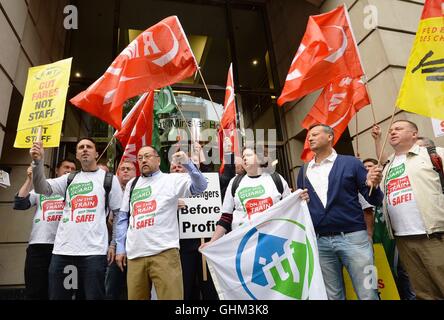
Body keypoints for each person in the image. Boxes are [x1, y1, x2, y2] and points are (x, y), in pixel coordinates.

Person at [297, 124, 383, 300]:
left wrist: (374, 185)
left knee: (369, 291)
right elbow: (302, 206)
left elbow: (375, 199)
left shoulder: (352, 163)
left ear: (330, 137)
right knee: (332, 296)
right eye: (308, 136)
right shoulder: (303, 170)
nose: (310, 138)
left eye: (314, 134)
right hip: (321, 243)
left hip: (355, 239)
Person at [29, 138, 123, 300]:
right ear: (77, 155)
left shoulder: (109, 179)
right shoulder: (68, 179)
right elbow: (40, 187)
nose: (85, 149)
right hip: (63, 253)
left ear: (96, 154)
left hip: (94, 254)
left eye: (89, 147)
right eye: (81, 147)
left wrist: (114, 244)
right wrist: (38, 162)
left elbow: (119, 215)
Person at [115, 146, 208, 300]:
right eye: (139, 158)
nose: (143, 160)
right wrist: (120, 248)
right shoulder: (132, 184)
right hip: (135, 255)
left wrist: (187, 163)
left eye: (147, 156)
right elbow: (123, 217)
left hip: (164, 253)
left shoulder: (171, 179)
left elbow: (201, 186)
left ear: (158, 160)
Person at [381, 120, 444, 299]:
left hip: (434, 235)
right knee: (424, 293)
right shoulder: (387, 166)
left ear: (414, 134)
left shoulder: (434, 154)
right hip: (403, 238)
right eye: (391, 130)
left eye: (399, 129)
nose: (392, 132)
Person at [201, 146, 300, 246]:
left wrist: (300, 198)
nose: (244, 158)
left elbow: (290, 206)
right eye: (243, 156)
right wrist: (212, 241)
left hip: (274, 240)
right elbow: (226, 217)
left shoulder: (276, 178)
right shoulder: (235, 182)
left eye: (248, 155)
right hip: (245, 244)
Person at [13, 159, 76, 299]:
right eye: (66, 167)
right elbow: (20, 203)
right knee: (35, 291)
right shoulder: (41, 188)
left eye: (73, 169)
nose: (69, 171)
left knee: (66, 291)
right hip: (38, 247)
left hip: (66, 248)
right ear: (57, 170)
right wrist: (29, 179)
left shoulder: (77, 191)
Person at [362, 158, 415, 300]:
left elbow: (384, 158)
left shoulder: (384, 185)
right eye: (364, 167)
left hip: (390, 238)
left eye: (370, 166)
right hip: (371, 240)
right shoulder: (359, 188)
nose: (367, 169)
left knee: (401, 272)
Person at [105, 160, 137, 300]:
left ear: (136, 174)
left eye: (129, 168)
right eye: (122, 169)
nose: (125, 171)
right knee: (112, 288)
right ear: (117, 174)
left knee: (135, 289)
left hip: (138, 246)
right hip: (115, 247)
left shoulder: (142, 189)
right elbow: (113, 221)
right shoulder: (109, 192)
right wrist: (113, 244)